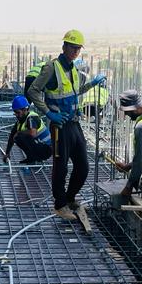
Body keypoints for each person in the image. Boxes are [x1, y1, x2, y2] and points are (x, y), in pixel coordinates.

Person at [28, 30, 106, 220]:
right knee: (60, 167)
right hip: (59, 125)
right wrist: (49, 113)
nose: (76, 51)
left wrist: (92, 84)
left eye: (78, 48)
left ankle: (70, 197)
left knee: (83, 166)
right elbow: (33, 91)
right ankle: (60, 205)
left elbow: (74, 92)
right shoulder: (51, 68)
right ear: (64, 47)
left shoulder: (73, 68)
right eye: (73, 47)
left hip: (73, 123)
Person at [2, 95, 52, 165]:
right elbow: (11, 137)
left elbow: (32, 133)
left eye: (18, 112)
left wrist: (19, 133)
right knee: (17, 137)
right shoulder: (20, 121)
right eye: (15, 112)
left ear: (25, 110)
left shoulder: (32, 118)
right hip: (39, 146)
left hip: (46, 149)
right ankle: (31, 158)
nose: (16, 115)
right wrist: (7, 153)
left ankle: (34, 158)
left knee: (20, 136)